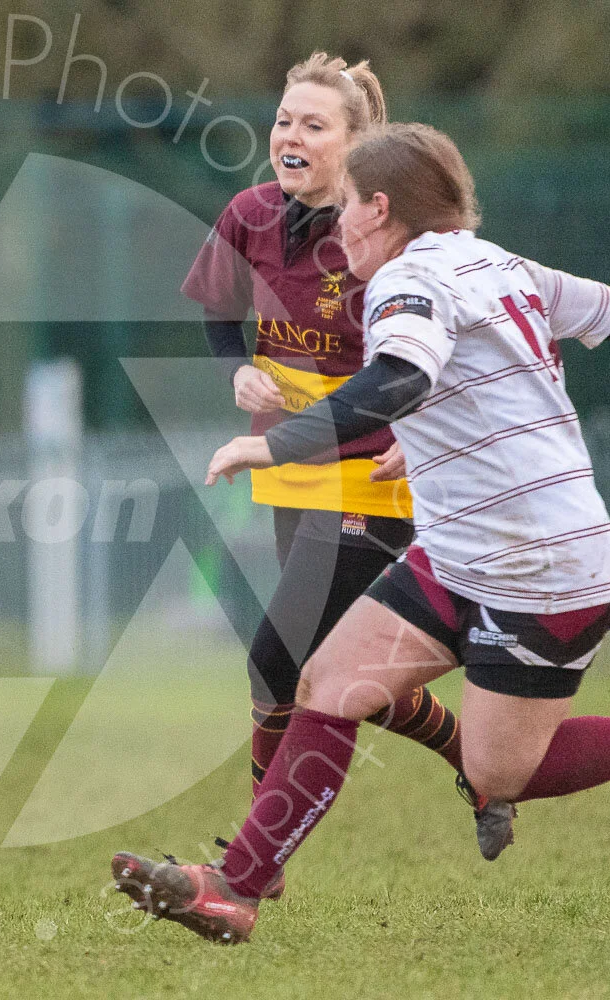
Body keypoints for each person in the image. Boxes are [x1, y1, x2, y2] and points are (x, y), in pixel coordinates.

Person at [114, 122, 610, 944]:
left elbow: (400, 375)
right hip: (460, 555)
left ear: (378, 208)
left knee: (500, 768)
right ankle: (236, 889)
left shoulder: (406, 283)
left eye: (343, 216)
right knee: (327, 683)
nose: (335, 233)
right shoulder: (505, 265)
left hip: (544, 573)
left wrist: (275, 441)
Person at [175, 53, 462, 897]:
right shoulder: (249, 215)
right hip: (289, 469)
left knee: (278, 665)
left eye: (313, 125)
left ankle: (252, 866)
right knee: (334, 672)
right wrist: (237, 370)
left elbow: (449, 339)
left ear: (358, 144)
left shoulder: (386, 234)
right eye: (282, 122)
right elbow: (219, 313)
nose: (289, 138)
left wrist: (428, 424)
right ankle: (472, 761)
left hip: (374, 472)